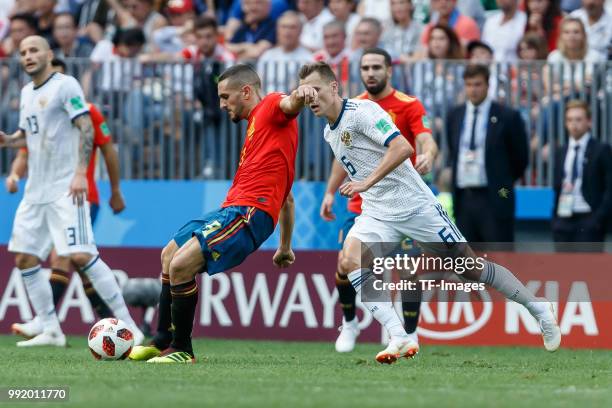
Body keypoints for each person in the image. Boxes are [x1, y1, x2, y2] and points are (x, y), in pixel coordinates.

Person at [299, 61, 560, 364]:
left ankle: (538, 308)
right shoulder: (329, 134)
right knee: (349, 260)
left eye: (316, 90)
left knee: (470, 268)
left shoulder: (363, 112)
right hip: (377, 212)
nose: (311, 98)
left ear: (333, 87)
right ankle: (397, 335)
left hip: (416, 207)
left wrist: (365, 182)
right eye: (306, 93)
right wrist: (341, 190)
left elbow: (402, 148)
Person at [128, 64, 317, 363]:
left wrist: (301, 94)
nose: (221, 104)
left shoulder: (269, 107)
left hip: (248, 213)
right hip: (233, 209)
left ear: (245, 91)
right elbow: (288, 199)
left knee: (180, 266)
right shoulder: (264, 134)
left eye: (225, 96)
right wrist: (284, 247)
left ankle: (182, 349)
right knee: (169, 254)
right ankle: (161, 339)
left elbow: (289, 103)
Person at [0, 35, 143, 347]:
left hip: (66, 188)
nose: (27, 56)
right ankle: (51, 329)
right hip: (35, 191)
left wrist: (80, 172)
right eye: (23, 52)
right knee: (24, 258)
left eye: (34, 50)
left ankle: (131, 327)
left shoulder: (66, 85)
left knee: (81, 254)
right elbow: (29, 135)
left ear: (49, 54)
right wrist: (9, 139)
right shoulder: (26, 92)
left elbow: (86, 127)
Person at [320, 47, 438, 353]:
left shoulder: (408, 105)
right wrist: (331, 191)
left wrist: (428, 154)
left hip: (400, 200)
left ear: (388, 70)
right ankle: (349, 324)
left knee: (409, 270)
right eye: (365, 68)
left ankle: (409, 334)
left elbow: (424, 138)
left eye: (376, 67)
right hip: (363, 202)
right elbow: (341, 159)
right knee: (345, 265)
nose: (370, 73)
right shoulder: (350, 108)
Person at [446, 64, 528, 242]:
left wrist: (502, 183)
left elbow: (521, 158)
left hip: (496, 194)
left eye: (477, 84)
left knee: (499, 259)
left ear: (487, 85)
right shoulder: (455, 115)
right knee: (467, 262)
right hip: (464, 196)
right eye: (469, 85)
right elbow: (453, 150)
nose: (473, 90)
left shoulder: (507, 116)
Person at [552, 100, 612, 246]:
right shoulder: (562, 151)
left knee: (588, 268)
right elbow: (558, 186)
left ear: (589, 122)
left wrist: (598, 218)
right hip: (564, 219)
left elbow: (609, 187)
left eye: (579, 119)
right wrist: (555, 220)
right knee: (563, 267)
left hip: (589, 219)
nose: (574, 124)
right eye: (570, 120)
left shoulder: (601, 149)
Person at [257, 11, 313, 94]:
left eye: (292, 27)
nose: (287, 31)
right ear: (277, 30)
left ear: (301, 31)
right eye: (284, 27)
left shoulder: (309, 59)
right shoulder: (267, 56)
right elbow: (258, 87)